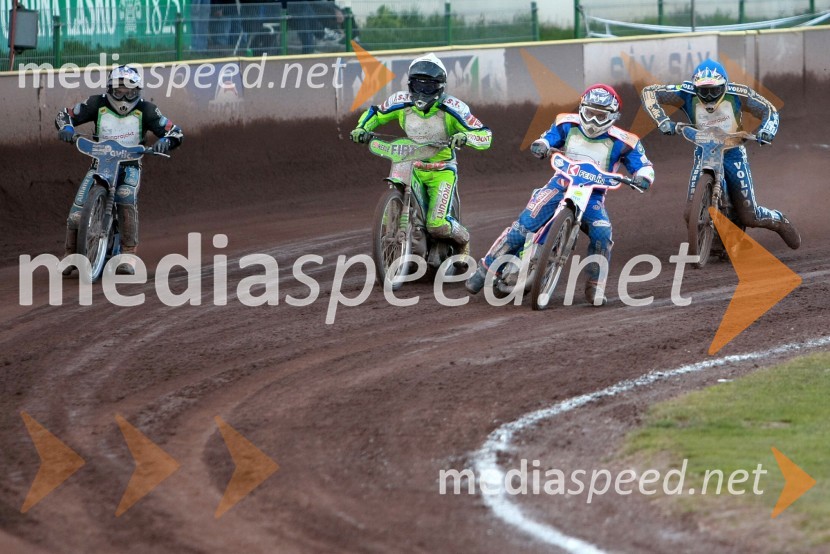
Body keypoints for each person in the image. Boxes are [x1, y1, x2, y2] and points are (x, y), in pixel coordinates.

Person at [465, 84, 655, 306]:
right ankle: (485, 269)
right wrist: (542, 145)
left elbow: (644, 165)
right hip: (560, 185)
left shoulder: (625, 141)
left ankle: (595, 286)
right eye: (590, 112)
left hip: (592, 197)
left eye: (600, 115)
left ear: (612, 116)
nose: (593, 120)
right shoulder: (566, 123)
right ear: (582, 108)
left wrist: (643, 176)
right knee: (525, 224)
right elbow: (548, 138)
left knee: (603, 232)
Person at [641, 58, 800, 249]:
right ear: (695, 86)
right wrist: (663, 121)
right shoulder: (686, 91)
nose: (708, 96)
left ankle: (779, 220)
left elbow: (769, 109)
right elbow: (649, 92)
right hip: (704, 150)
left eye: (714, 90)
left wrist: (767, 131)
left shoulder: (738, 93)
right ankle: (712, 237)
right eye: (703, 90)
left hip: (733, 152)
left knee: (750, 215)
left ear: (724, 85)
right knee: (690, 212)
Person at [350, 52, 493, 259]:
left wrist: (465, 137)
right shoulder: (400, 101)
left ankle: (463, 239)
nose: (422, 91)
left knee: (436, 225)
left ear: (440, 86)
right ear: (410, 84)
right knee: (393, 191)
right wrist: (361, 128)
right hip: (410, 162)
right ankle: (393, 230)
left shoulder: (453, 108)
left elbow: (485, 135)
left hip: (442, 169)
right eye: (418, 85)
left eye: (428, 86)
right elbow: (376, 113)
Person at [55, 65, 184, 276]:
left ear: (138, 91)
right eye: (119, 91)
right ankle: (70, 254)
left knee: (125, 196)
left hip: (129, 166)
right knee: (77, 212)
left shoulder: (147, 110)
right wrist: (67, 128)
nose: (124, 97)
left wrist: (165, 141)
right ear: (110, 89)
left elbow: (175, 132)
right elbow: (64, 115)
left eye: (130, 92)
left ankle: (128, 253)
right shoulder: (96, 103)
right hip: (100, 164)